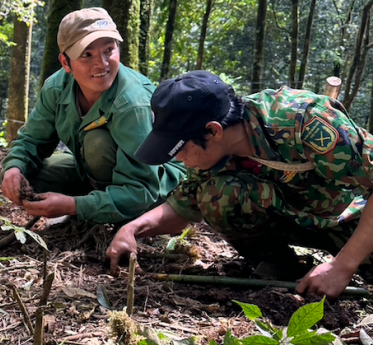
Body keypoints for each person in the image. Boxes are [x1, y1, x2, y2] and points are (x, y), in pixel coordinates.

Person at [105, 70, 373, 299]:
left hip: (353, 222)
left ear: (213, 131)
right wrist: (132, 229)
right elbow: (184, 206)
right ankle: (280, 270)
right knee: (215, 194)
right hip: (297, 219)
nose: (182, 161)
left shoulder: (304, 121)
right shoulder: (215, 154)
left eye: (180, 150)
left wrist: (342, 266)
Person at [0, 7, 186, 224]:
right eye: (86, 54)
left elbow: (143, 188)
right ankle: (96, 205)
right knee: (31, 176)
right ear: (65, 62)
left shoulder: (132, 104)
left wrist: (73, 206)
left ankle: (113, 217)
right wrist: (13, 167)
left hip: (155, 188)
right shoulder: (57, 88)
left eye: (109, 49)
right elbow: (32, 140)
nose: (102, 63)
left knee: (96, 143)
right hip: (93, 174)